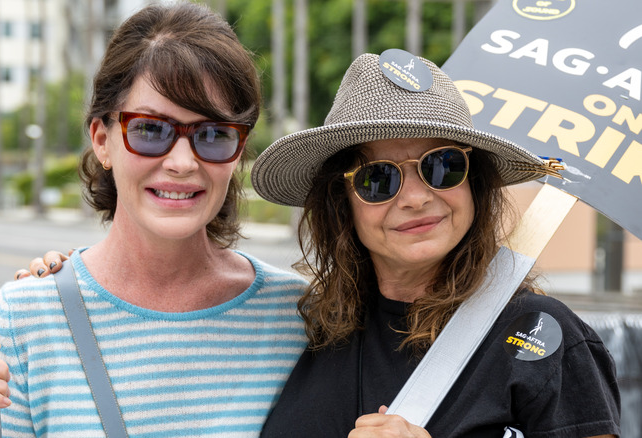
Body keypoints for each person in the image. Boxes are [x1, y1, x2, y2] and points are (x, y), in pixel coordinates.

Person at [0, 3, 309, 437]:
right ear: (102, 141)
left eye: (213, 134)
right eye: (151, 130)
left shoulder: (296, 316)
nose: (183, 162)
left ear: (238, 150)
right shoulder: (24, 320)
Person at [248, 51, 621, 437]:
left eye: (443, 165)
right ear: (341, 203)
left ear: (473, 182)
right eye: (378, 178)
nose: (415, 198)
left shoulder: (543, 333)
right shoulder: (312, 329)